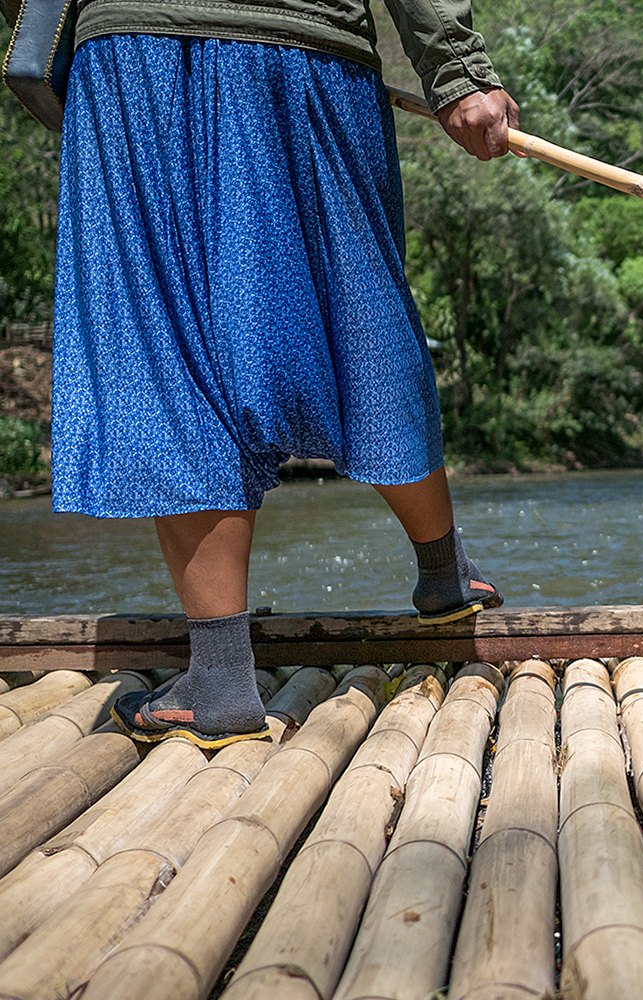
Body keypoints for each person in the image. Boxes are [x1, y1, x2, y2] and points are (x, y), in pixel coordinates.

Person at [49, 0, 519, 747]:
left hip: (133, 51)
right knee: (358, 307)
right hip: (305, 46)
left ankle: (222, 677)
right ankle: (445, 573)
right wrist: (458, 72)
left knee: (171, 359)